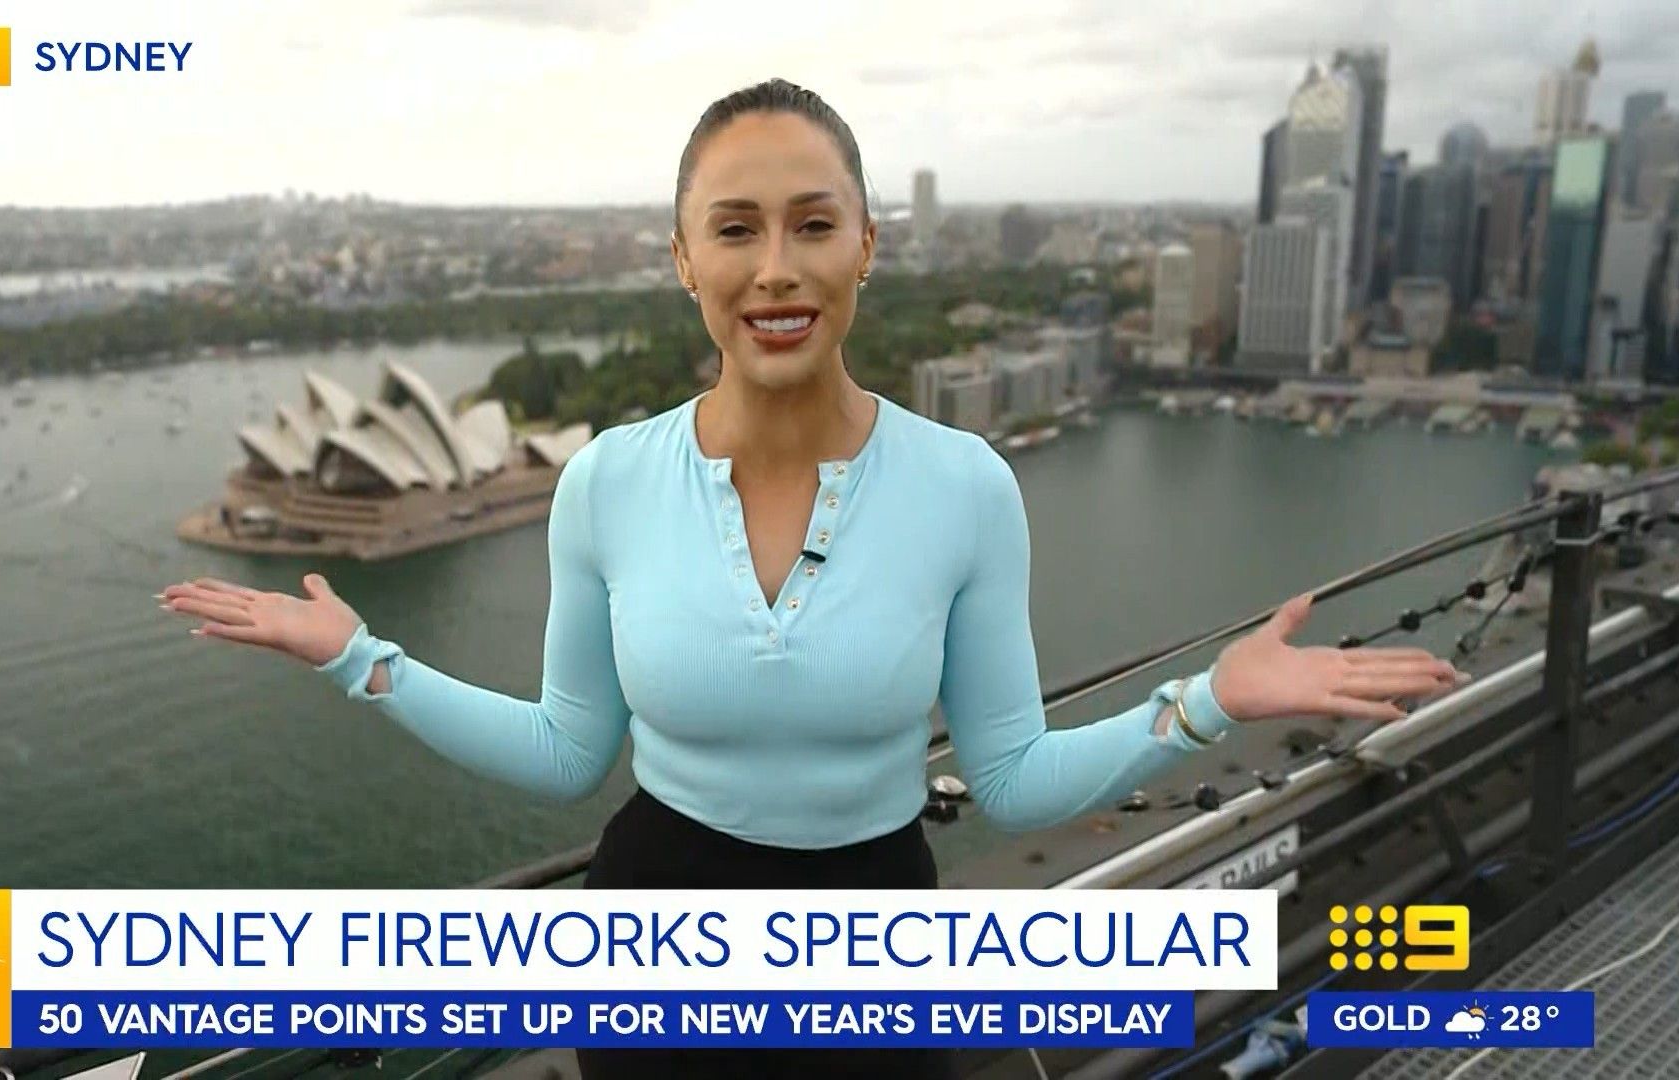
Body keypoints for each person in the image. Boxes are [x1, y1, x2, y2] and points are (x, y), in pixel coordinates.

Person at [158, 77, 1465, 1080]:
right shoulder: (605, 482)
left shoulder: (964, 486)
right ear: (684, 258)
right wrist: (359, 658)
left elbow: (1014, 778)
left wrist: (1213, 701)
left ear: (865, 247)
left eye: (812, 224)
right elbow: (566, 754)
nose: (775, 266)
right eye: (735, 229)